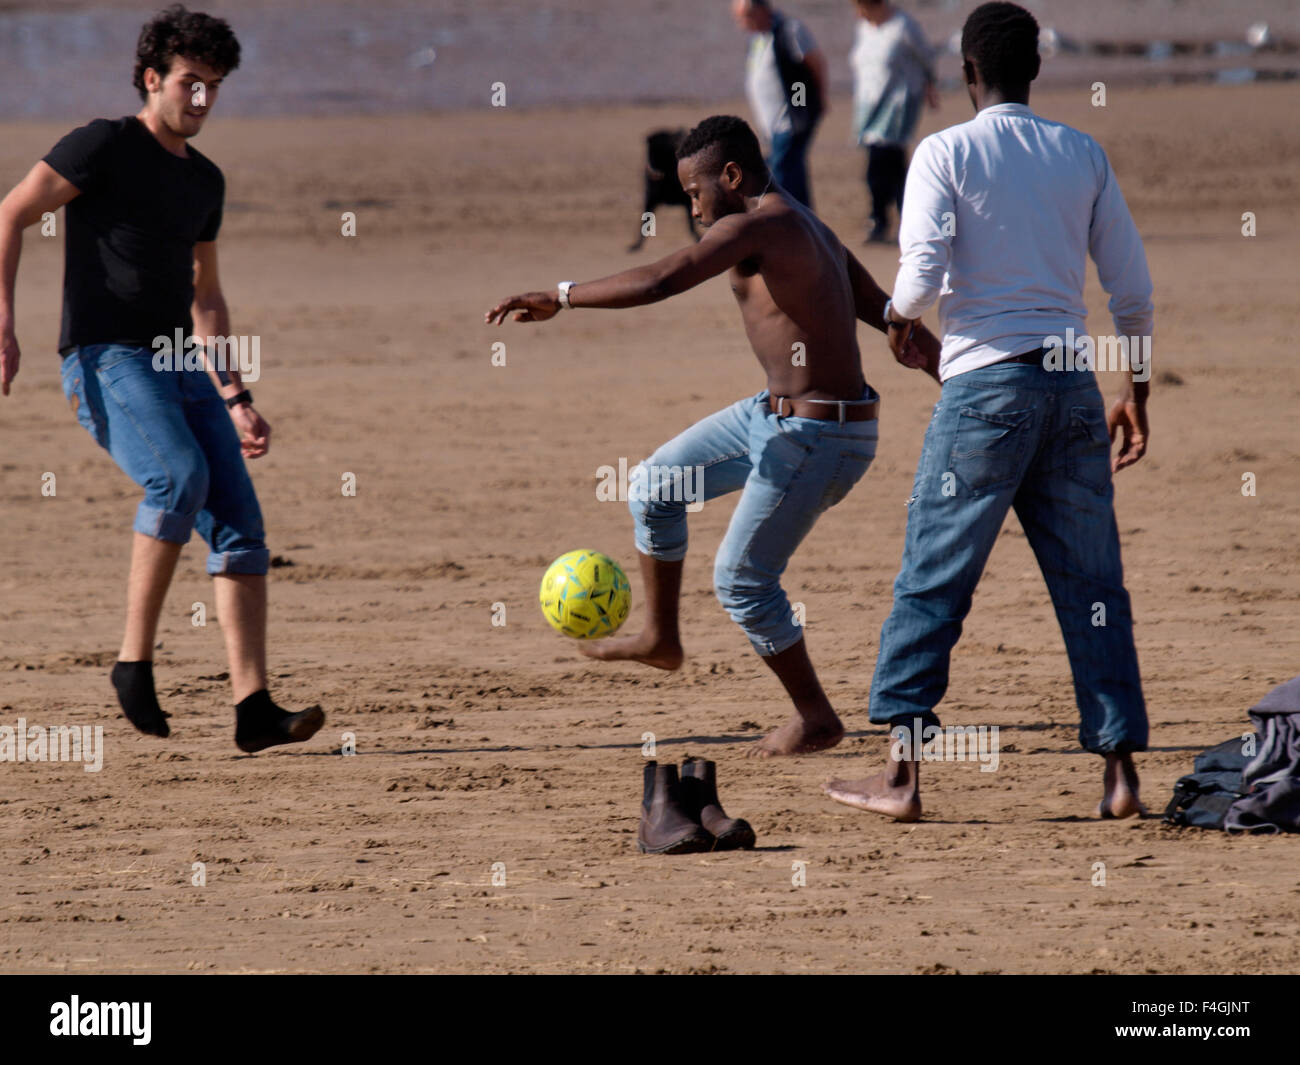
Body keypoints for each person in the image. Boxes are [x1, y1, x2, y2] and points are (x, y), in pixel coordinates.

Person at [486, 115, 939, 758]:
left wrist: (562, 296)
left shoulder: (759, 225)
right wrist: (940, 363)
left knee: (742, 580)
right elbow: (880, 305)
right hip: (772, 418)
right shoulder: (802, 220)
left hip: (821, 436)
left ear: (731, 177)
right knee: (654, 486)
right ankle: (661, 639)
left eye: (696, 195)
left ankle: (816, 718)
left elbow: (662, 279)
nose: (694, 210)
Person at [824, 2, 1153, 819]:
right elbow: (1133, 290)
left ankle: (902, 775)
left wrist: (900, 322)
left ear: (967, 74)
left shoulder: (943, 149)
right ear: (1035, 70)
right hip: (1074, 390)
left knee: (933, 580)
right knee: (1094, 588)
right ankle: (1119, 774)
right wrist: (1134, 391)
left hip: (985, 395)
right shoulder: (1083, 153)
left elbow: (923, 269)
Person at [0, 4, 324, 754]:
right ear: (152, 79)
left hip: (182, 365)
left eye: (214, 87)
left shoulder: (205, 180)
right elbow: (11, 214)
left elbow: (204, 294)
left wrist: (237, 396)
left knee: (242, 526)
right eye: (189, 83)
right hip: (105, 357)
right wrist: (6, 323)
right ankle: (132, 662)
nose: (202, 100)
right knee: (177, 478)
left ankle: (253, 709)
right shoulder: (103, 145)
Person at [850, 0, 939, 243]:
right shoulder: (865, 28)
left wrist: (930, 86)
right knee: (893, 169)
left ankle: (881, 220)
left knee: (880, 165)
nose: (859, 13)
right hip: (869, 106)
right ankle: (900, 220)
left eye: (862, 7)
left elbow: (926, 58)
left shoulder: (903, 26)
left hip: (896, 105)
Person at [732, 0, 828, 208]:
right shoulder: (758, 38)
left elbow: (813, 64)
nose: (741, 24)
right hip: (771, 123)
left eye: (745, 17)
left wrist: (803, 107)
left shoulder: (789, 30)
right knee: (791, 172)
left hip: (790, 120)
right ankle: (804, 221)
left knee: (781, 173)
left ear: (761, 10)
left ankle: (788, 220)